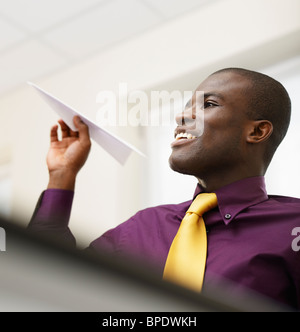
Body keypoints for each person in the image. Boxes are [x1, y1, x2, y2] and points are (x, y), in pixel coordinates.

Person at [28, 68, 300, 309]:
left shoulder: (293, 228)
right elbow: (50, 281)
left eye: (208, 104)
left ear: (257, 132)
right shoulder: (142, 227)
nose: (182, 116)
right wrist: (61, 176)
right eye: (186, 106)